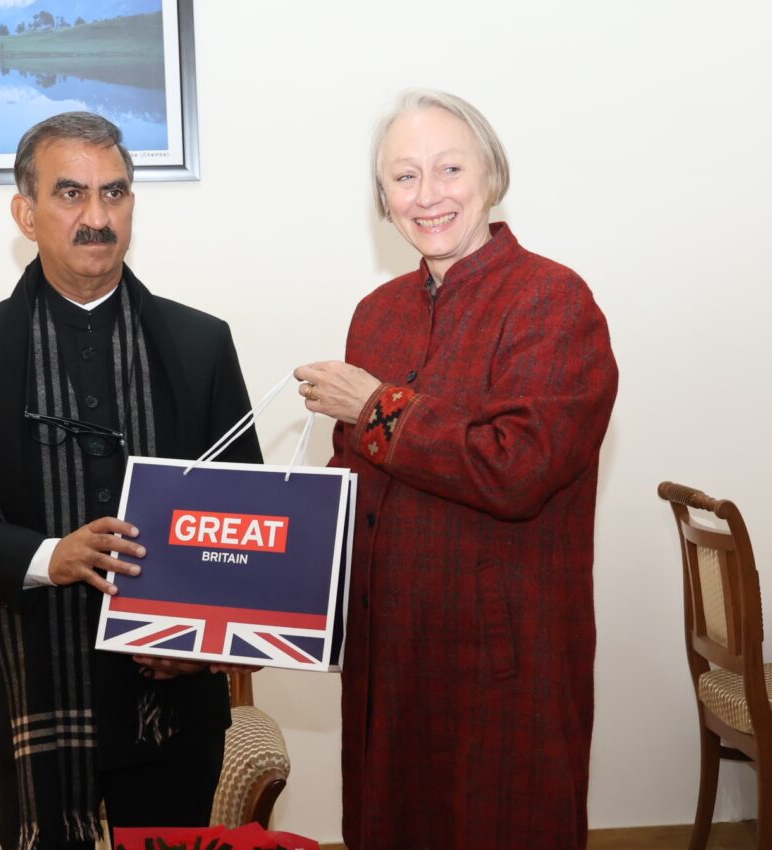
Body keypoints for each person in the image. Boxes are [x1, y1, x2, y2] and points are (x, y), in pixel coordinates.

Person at [0, 112, 261, 850]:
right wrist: (47, 556)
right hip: (31, 693)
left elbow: (249, 521)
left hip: (173, 706)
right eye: (71, 193)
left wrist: (201, 641)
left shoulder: (201, 343)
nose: (97, 216)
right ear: (25, 213)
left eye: (114, 192)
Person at [294, 91, 618, 850]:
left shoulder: (553, 299)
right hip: (386, 655)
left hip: (502, 663)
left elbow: (518, 468)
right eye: (404, 177)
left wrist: (376, 406)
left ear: (491, 176)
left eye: (449, 169)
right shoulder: (378, 312)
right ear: (384, 200)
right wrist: (254, 576)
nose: (427, 195)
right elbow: (353, 480)